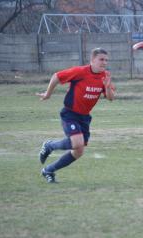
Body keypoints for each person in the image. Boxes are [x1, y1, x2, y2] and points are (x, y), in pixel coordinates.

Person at [36, 48, 115, 183]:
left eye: (106, 60)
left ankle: (48, 170)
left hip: (84, 117)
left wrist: (107, 87)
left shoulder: (105, 76)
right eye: (101, 59)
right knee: (77, 143)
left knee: (79, 151)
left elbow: (111, 98)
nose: (104, 63)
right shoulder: (80, 72)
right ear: (92, 60)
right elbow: (57, 76)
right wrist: (48, 94)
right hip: (70, 113)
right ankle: (49, 146)